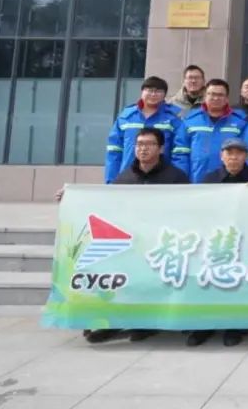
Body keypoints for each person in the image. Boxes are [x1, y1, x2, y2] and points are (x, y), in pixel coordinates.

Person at [84, 128, 187, 344]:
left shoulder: (176, 177)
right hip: (129, 243)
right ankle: (114, 323)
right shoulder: (125, 177)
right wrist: (71, 196)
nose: (143, 149)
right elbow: (108, 205)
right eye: (139, 144)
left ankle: (146, 324)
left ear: (161, 148)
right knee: (124, 284)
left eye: (149, 144)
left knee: (151, 284)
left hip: (160, 243)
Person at [188, 137, 248, 348]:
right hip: (216, 241)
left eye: (238, 153)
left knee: (239, 284)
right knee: (210, 283)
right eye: (229, 153)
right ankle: (204, 327)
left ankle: (236, 326)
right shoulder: (209, 180)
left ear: (246, 156)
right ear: (221, 156)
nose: (233, 157)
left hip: (245, 241)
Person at [104, 76, 184, 184]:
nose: (153, 94)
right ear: (142, 92)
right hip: (128, 178)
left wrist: (177, 179)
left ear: (164, 95)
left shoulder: (173, 119)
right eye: (149, 90)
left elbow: (180, 153)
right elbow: (114, 152)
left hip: (162, 179)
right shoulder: (126, 117)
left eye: (158, 91)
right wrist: (111, 181)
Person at [172, 79, 248, 183]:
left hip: (229, 182)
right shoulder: (190, 120)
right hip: (197, 181)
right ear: (205, 96)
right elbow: (181, 154)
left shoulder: (240, 122)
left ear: (227, 98)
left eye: (220, 95)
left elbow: (245, 154)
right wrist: (181, 179)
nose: (216, 98)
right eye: (211, 94)